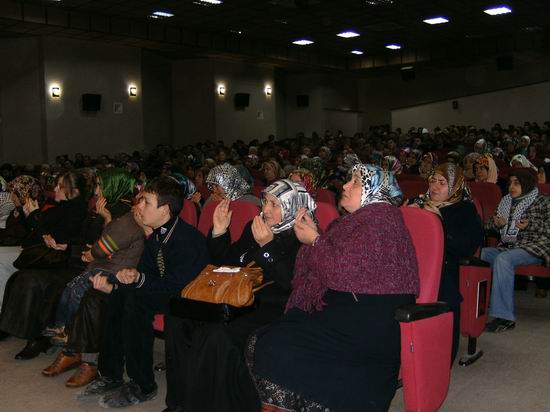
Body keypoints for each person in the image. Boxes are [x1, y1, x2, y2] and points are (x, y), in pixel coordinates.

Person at [248, 164, 419, 412]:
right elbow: (329, 266)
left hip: (368, 327)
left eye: (355, 182)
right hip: (346, 312)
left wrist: (314, 240)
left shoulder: (381, 223)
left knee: (276, 347)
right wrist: (314, 238)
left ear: (375, 192)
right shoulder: (355, 223)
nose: (345, 186)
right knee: (269, 340)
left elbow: (339, 272)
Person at [164, 179, 316, 412]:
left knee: (215, 333)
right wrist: (220, 231)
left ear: (292, 208)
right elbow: (227, 264)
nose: (265, 210)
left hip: (271, 306)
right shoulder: (254, 227)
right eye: (265, 202)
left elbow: (291, 284)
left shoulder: (303, 237)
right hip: (237, 297)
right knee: (178, 319)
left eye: (274, 205)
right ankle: (179, 401)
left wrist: (267, 247)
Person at [77, 176, 209, 408]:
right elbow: (146, 273)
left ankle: (143, 385)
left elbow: (177, 285)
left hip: (188, 298)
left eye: (146, 202)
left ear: (164, 209)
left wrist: (139, 279)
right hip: (166, 291)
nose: (138, 206)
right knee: (117, 295)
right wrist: (122, 282)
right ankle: (111, 374)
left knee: (135, 303)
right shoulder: (158, 234)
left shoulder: (188, 239)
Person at [40, 170, 144, 388]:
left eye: (100, 186)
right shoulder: (110, 211)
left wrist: (92, 250)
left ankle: (76, 348)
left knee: (87, 295)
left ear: (113, 188)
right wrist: (102, 225)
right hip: (100, 265)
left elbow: (101, 247)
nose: (96, 191)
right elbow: (95, 241)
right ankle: (70, 345)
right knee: (69, 287)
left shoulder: (126, 217)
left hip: (114, 272)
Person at [0, 171, 90, 359]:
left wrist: (34, 217)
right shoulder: (62, 207)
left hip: (69, 263)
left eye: (60, 186)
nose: (54, 188)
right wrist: (33, 219)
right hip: (55, 258)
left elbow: (61, 236)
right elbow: (42, 231)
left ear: (73, 191)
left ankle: (37, 337)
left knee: (33, 281)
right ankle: (9, 325)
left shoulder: (78, 210)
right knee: (22, 277)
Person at [407, 163, 483, 362]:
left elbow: (465, 248)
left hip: (444, 267)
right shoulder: (417, 202)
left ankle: (440, 356)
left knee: (444, 288)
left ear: (455, 186)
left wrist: (438, 221)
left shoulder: (465, 210)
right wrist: (407, 214)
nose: (434, 187)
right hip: (410, 264)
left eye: (442, 183)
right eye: (433, 181)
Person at [482, 168, 550, 331]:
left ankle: (504, 318)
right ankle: (479, 305)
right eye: (510, 183)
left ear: (526, 184)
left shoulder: (544, 201)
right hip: (510, 246)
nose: (511, 187)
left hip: (535, 247)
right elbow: (488, 225)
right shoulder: (506, 202)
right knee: (483, 254)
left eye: (516, 183)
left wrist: (530, 224)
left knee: (503, 259)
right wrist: (496, 224)